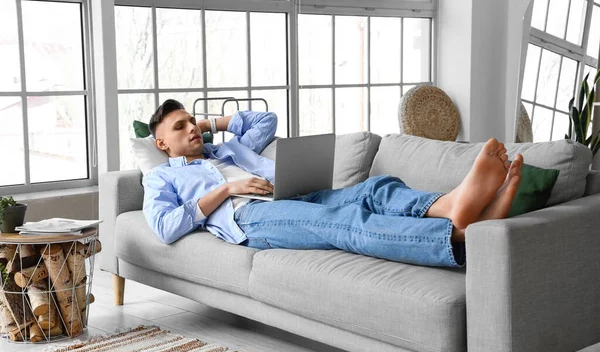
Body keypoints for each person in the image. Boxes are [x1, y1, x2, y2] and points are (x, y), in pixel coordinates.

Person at [142, 99, 523, 268]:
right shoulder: (162, 176)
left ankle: (454, 207)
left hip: (294, 193)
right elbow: (165, 227)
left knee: (376, 187)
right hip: (252, 217)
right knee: (347, 220)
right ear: (161, 143)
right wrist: (226, 190)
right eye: (181, 126)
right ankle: (455, 233)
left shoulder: (230, 150)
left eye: (192, 121)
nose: (191, 127)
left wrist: (211, 126)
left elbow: (266, 120)